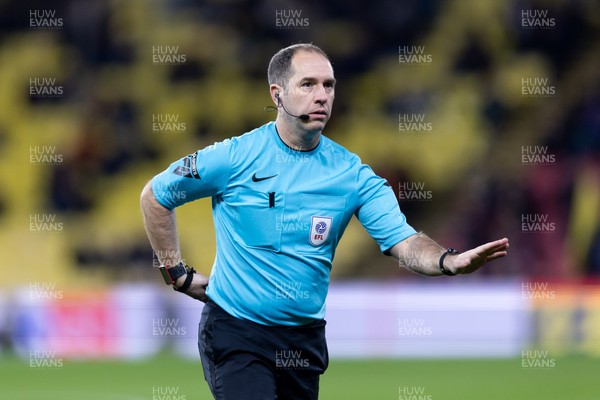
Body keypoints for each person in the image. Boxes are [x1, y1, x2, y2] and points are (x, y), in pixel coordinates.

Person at [140, 43, 509, 400]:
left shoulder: (351, 175)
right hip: (238, 332)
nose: (322, 96)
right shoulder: (234, 157)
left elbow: (405, 241)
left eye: (329, 85)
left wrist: (447, 260)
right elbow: (156, 196)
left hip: (303, 342)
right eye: (308, 84)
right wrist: (175, 273)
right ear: (277, 94)